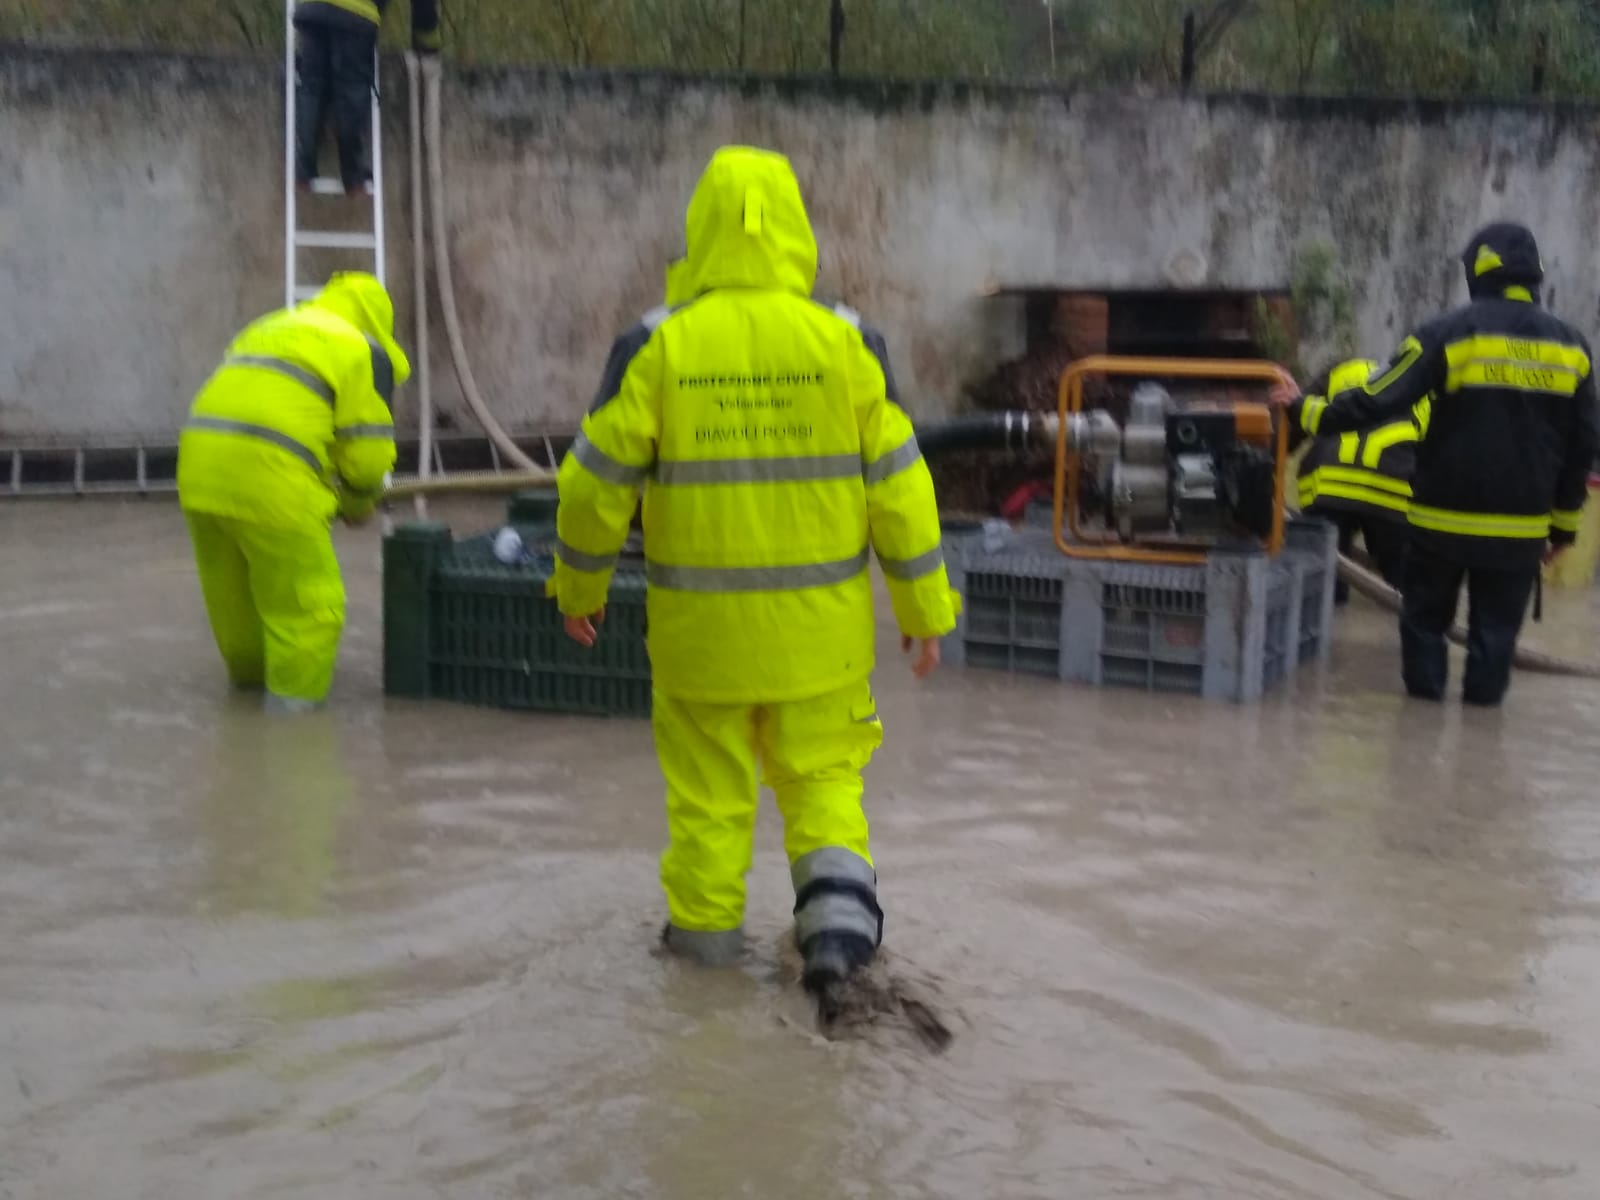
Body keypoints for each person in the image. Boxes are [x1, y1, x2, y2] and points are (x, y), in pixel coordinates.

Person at [551, 146, 959, 993]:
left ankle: (701, 979)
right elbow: (902, 490)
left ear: (700, 231)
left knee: (708, 811)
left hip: (702, 652)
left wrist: (578, 591)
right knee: (823, 788)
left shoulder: (655, 345)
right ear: (796, 233)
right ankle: (840, 938)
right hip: (822, 651)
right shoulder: (848, 342)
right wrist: (925, 609)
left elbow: (592, 488)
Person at [1279, 222, 1599, 706]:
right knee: (1494, 639)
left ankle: (1421, 734)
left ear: (1477, 273)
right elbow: (1583, 443)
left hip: (1439, 525)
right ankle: (1477, 748)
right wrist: (1563, 529)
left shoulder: (1445, 334)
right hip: (1519, 530)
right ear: (1534, 278)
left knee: (1425, 627)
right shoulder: (1573, 348)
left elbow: (1377, 398)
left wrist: (1304, 410)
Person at [177, 272, 408, 712]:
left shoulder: (269, 327)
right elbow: (368, 460)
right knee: (310, 612)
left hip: (197, 471)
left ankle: (244, 715)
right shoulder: (362, 348)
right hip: (271, 478)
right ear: (377, 322)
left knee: (238, 606)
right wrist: (359, 503)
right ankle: (289, 737)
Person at [1292, 356, 1418, 602]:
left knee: (1324, 587)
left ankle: (1332, 606)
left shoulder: (1338, 371)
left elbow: (1295, 420)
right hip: (1390, 490)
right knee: (1404, 586)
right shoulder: (1416, 381)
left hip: (1330, 484)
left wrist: (1263, 467)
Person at [293, 0, 441, 194]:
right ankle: (353, 176)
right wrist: (426, 42)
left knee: (311, 88)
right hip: (356, 15)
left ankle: (303, 170)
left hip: (311, 11)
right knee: (351, 94)